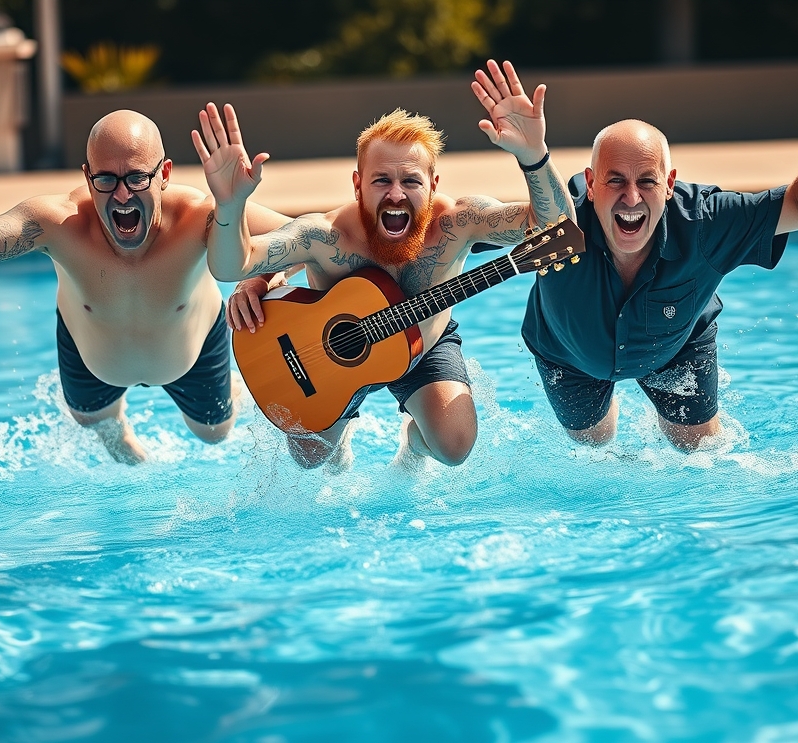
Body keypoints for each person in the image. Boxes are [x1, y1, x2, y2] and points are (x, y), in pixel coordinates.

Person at [192, 60, 573, 471]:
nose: (396, 194)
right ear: (357, 185)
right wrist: (231, 206)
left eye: (411, 180)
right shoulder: (326, 236)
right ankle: (343, 426)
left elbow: (557, 229)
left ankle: (414, 444)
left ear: (433, 185)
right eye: (381, 181)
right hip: (324, 357)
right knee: (309, 460)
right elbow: (233, 266)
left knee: (455, 447)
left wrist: (534, 158)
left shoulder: (459, 222)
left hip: (420, 347)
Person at [523, 72, 798, 451]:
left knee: (700, 453)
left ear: (670, 184)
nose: (632, 198)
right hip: (569, 353)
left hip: (676, 344)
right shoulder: (559, 219)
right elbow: (474, 226)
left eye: (647, 182)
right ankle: (606, 405)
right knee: (594, 449)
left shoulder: (706, 223)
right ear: (590, 182)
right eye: (615, 180)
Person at [0, 110, 290, 464]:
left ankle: (232, 390)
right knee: (100, 430)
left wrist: (257, 278)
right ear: (87, 178)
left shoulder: (199, 216)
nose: (122, 195)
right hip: (92, 360)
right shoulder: (57, 224)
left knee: (214, 436)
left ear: (165, 175)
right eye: (106, 179)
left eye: (138, 177)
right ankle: (122, 437)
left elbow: (307, 237)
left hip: (191, 350)